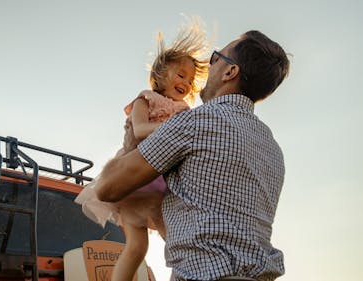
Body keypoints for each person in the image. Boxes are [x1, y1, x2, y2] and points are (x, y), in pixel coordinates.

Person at [94, 30, 290, 281]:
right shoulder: (272, 148)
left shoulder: (195, 122)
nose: (208, 68)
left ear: (230, 72)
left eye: (215, 58)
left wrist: (129, 142)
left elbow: (107, 189)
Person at [75, 19, 209, 281]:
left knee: (175, 239)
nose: (186, 82)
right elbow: (140, 130)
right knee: (137, 247)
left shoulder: (184, 111)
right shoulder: (145, 99)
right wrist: (174, 128)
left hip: (161, 186)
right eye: (181, 74)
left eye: (191, 80)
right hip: (132, 180)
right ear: (160, 74)